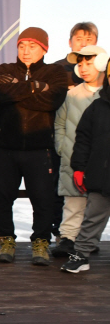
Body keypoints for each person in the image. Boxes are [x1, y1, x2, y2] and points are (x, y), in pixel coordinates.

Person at [0, 28, 68, 265]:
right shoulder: (4, 70)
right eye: (22, 45)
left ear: (44, 48)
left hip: (39, 147)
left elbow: (52, 101)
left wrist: (20, 88)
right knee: (3, 197)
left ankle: (41, 242)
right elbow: (0, 93)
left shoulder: (55, 72)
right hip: (6, 147)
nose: (26, 51)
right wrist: (36, 87)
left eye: (32, 46)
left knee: (43, 199)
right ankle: (6, 240)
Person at [53, 46, 108, 258]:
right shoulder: (71, 95)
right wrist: (62, 147)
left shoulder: (106, 97)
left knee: (98, 202)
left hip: (102, 161)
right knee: (73, 201)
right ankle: (68, 238)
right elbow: (60, 124)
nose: (83, 68)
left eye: (89, 63)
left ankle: (89, 240)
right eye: (80, 64)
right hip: (73, 158)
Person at [63, 74, 110, 273]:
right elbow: (82, 138)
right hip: (101, 174)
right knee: (92, 216)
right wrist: (79, 167)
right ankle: (81, 255)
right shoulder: (97, 107)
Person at [54, 22, 99, 88]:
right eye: (79, 39)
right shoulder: (57, 68)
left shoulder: (102, 68)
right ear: (70, 43)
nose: (83, 44)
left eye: (88, 40)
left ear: (95, 43)